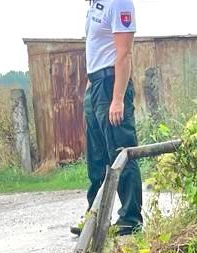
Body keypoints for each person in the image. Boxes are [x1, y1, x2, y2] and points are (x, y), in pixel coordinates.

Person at [72, 0, 143, 238]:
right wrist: (90, 87)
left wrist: (118, 98)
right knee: (97, 157)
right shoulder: (95, 5)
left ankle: (130, 218)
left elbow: (124, 53)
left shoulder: (119, 3)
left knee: (122, 152)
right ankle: (94, 219)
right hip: (96, 86)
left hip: (112, 84)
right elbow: (97, 50)